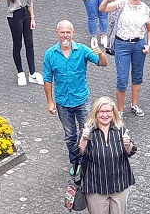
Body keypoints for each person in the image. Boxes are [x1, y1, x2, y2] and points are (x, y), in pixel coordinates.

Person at [42, 20, 108, 176]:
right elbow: (47, 79)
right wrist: (50, 102)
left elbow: (103, 63)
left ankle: (88, 160)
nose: (65, 35)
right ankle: (75, 162)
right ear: (57, 33)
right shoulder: (50, 54)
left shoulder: (83, 50)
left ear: (73, 33)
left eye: (68, 32)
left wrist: (100, 52)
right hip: (63, 102)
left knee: (87, 131)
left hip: (81, 100)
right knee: (70, 135)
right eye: (62, 32)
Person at [78, 97, 136, 214]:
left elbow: (131, 152)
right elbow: (79, 153)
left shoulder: (120, 130)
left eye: (108, 111)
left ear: (113, 113)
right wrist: (83, 140)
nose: (105, 115)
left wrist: (127, 144)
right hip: (96, 185)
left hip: (120, 183)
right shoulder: (89, 131)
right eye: (101, 112)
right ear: (95, 113)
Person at [99, 0, 150, 117]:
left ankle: (134, 105)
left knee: (137, 76)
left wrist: (148, 44)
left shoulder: (145, 9)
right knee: (122, 78)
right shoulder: (121, 4)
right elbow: (102, 9)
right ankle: (121, 110)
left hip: (139, 45)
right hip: (122, 44)